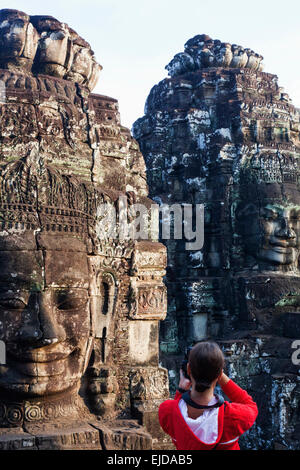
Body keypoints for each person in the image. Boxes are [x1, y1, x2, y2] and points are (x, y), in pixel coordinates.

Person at [159, 341, 258, 450]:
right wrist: (220, 375)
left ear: (188, 369)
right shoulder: (233, 417)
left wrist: (181, 391)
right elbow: (250, 404)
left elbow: (176, 413)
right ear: (219, 374)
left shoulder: (167, 411)